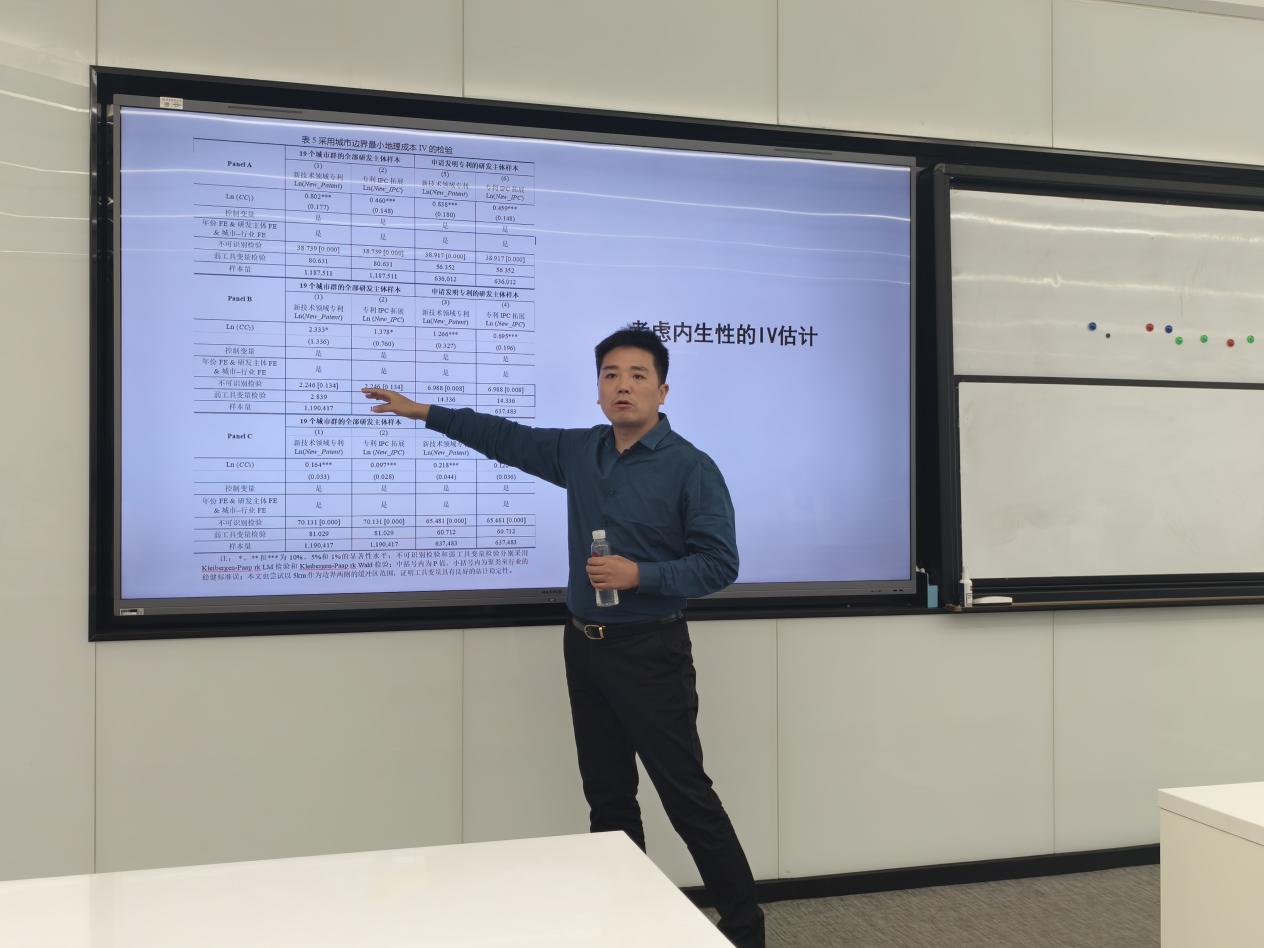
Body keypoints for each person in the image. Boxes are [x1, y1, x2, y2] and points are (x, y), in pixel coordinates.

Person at [362, 326, 764, 948]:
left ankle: (744, 930)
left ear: (662, 390)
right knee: (607, 799)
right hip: (585, 645)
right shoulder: (582, 451)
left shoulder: (691, 468)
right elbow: (506, 438)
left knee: (686, 796)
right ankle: (626, 924)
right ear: (598, 389)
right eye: (610, 375)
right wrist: (426, 413)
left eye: (637, 375)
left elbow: (720, 564)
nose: (622, 386)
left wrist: (641, 575)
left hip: (650, 650)